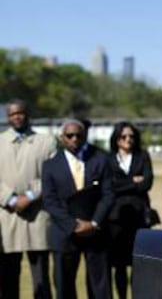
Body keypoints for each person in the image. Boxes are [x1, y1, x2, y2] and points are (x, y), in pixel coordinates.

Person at [42, 119, 114, 299]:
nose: (74, 139)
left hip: (96, 232)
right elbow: (50, 201)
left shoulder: (101, 159)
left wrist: (94, 223)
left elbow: (108, 194)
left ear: (84, 136)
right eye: (69, 135)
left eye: (78, 135)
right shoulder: (50, 166)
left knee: (100, 286)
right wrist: (73, 225)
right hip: (64, 233)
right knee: (64, 285)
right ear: (62, 138)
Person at [0, 99, 56, 299]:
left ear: (27, 114)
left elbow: (52, 175)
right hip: (7, 215)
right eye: (12, 114)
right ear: (8, 117)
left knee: (40, 274)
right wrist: (11, 199)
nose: (17, 117)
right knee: (7, 277)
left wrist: (30, 196)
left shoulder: (46, 142)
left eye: (20, 113)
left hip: (37, 214)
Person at [107, 121, 154, 299]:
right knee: (118, 264)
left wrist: (122, 184)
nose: (128, 140)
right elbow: (109, 187)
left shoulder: (143, 156)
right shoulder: (108, 159)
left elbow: (146, 184)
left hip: (139, 217)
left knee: (138, 263)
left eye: (131, 136)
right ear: (116, 139)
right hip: (116, 218)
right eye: (124, 136)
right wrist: (132, 182)